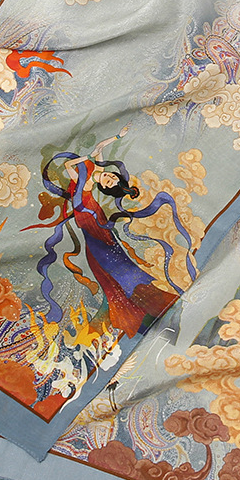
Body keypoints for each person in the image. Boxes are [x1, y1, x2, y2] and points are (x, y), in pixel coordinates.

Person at [25, 124, 194, 338]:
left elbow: (69, 164)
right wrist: (118, 136)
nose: (110, 178)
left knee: (108, 261)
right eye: (112, 177)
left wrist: (86, 158)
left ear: (105, 187)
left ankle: (150, 304)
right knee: (102, 267)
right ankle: (141, 313)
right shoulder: (97, 169)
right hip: (87, 223)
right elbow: (98, 148)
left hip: (93, 221)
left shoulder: (85, 181)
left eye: (111, 181)